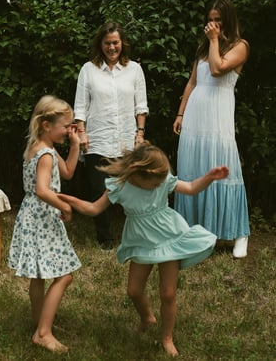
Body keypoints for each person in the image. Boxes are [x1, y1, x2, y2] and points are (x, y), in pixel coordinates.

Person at [58, 141, 229, 357]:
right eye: (155, 182)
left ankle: (167, 337)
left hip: (169, 239)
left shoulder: (162, 179)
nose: (160, 185)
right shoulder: (119, 186)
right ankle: (147, 317)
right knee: (134, 291)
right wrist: (67, 199)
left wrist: (209, 177)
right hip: (140, 242)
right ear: (138, 175)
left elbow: (192, 188)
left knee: (168, 294)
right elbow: (93, 209)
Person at [172, 0, 250, 258]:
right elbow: (193, 82)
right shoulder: (203, 49)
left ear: (227, 20)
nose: (213, 24)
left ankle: (240, 233)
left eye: (218, 20)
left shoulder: (240, 46)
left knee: (223, 169)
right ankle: (196, 232)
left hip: (218, 118)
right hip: (195, 117)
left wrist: (215, 40)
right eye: (210, 20)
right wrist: (181, 113)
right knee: (194, 171)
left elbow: (217, 71)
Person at [8, 95, 82, 354]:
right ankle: (43, 333)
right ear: (46, 125)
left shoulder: (39, 147)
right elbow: (42, 190)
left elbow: (69, 173)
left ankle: (41, 322)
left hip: (32, 216)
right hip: (42, 217)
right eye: (67, 126)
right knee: (65, 275)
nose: (70, 130)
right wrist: (65, 206)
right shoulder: (46, 154)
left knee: (39, 276)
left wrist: (75, 146)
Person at [74, 21, 149, 250]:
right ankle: (105, 239)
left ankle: (134, 235)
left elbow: (141, 105)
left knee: (131, 190)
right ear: (101, 44)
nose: (112, 47)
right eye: (107, 43)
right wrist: (82, 133)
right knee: (99, 190)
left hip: (126, 140)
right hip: (97, 139)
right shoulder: (89, 69)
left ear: (122, 43)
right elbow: (80, 106)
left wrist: (140, 133)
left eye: (115, 42)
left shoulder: (134, 69)